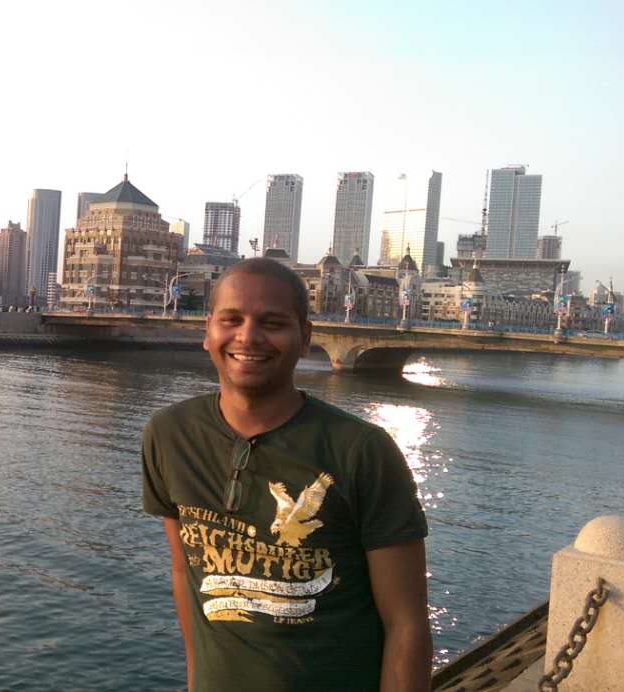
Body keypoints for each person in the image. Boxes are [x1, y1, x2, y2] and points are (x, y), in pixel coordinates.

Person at [141, 258, 431, 691]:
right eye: (231, 320)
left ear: (305, 338)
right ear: (208, 331)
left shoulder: (362, 450)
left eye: (272, 323)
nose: (248, 337)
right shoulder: (169, 434)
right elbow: (186, 572)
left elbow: (406, 623)